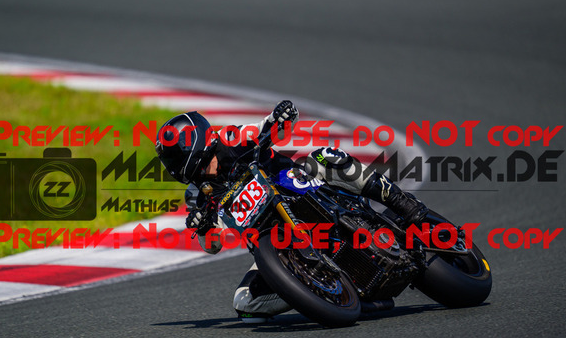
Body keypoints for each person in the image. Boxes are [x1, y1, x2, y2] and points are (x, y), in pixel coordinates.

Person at [155, 101, 428, 323]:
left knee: (323, 157)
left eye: (175, 157)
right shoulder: (196, 195)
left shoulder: (231, 137)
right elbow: (212, 245)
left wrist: (281, 116)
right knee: (245, 303)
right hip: (277, 242)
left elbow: (268, 128)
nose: (174, 165)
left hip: (301, 188)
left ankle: (401, 202)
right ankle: (319, 291)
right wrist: (203, 226)